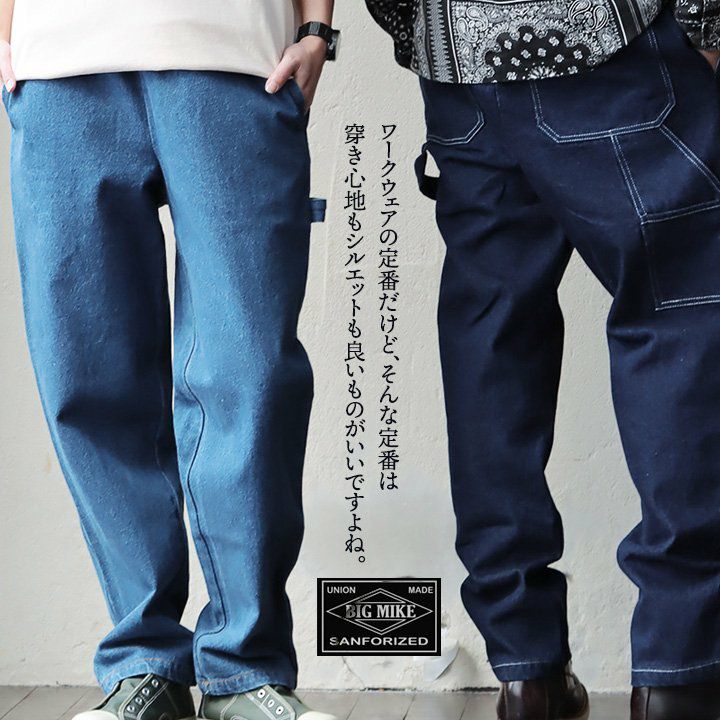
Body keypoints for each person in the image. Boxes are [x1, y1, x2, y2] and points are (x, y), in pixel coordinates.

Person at [365, 1, 720, 719]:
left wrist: (423, 32)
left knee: (493, 337)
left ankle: (525, 670)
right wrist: (708, 23)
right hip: (611, 41)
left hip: (457, 61)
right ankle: (680, 671)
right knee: (680, 318)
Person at [0, 1, 339, 718]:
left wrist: (316, 29)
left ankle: (246, 667)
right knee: (87, 377)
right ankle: (143, 662)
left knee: (250, 374)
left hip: (237, 60)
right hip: (58, 66)